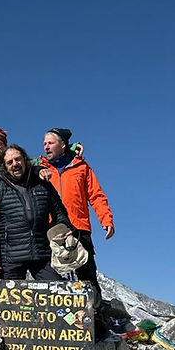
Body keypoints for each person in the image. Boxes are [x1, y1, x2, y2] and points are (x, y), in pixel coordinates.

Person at [40, 127, 114, 300]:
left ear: (63, 145)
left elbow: (96, 195)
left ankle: (95, 312)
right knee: (54, 277)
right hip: (52, 230)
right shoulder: (40, 169)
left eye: (50, 143)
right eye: (44, 144)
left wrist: (106, 219)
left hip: (79, 228)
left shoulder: (82, 167)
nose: (46, 147)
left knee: (87, 276)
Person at [0, 144, 72, 281]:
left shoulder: (43, 185)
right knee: (11, 294)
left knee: (56, 288)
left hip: (41, 252)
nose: (15, 164)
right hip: (12, 256)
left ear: (25, 160)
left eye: (18, 159)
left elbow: (59, 211)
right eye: (10, 162)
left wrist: (63, 227)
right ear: (5, 167)